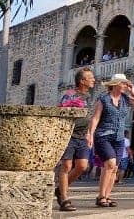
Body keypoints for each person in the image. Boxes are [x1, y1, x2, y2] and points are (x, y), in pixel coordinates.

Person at [88, 74, 134, 208]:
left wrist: (133, 92)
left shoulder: (126, 99)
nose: (126, 86)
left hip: (119, 138)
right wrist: (90, 134)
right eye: (123, 84)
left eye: (126, 84)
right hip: (103, 135)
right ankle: (101, 196)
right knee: (110, 163)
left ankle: (106, 196)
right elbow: (95, 118)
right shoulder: (103, 99)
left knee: (113, 168)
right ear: (115, 84)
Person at [54, 67, 95, 212]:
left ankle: (60, 189)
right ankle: (64, 199)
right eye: (90, 77)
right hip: (69, 135)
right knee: (66, 166)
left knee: (82, 166)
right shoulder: (69, 95)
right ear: (82, 81)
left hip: (83, 136)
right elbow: (61, 114)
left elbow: (91, 117)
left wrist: (90, 133)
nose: (93, 79)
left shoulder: (90, 97)